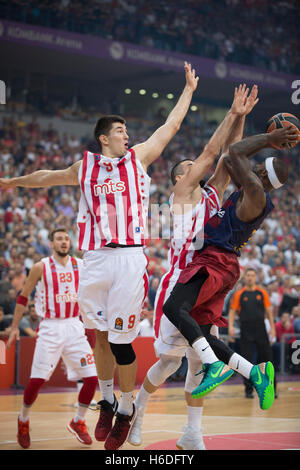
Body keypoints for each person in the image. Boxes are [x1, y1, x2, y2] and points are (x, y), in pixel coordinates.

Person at [1, 62, 199, 450]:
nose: (129, 135)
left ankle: (126, 409)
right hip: (94, 260)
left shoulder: (137, 159)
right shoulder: (85, 166)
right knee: (101, 338)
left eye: (127, 131)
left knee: (123, 342)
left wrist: (188, 91)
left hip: (127, 259)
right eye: (122, 131)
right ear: (105, 139)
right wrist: (12, 182)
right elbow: (45, 176)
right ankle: (107, 402)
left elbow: (169, 128)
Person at [128, 84, 259, 450]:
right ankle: (138, 411)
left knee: (199, 365)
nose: (194, 168)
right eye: (186, 168)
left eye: (193, 167)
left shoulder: (214, 193)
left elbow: (230, 156)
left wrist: (242, 116)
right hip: (180, 282)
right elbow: (211, 151)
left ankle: (192, 434)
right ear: (177, 180)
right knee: (170, 362)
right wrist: (231, 113)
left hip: (208, 281)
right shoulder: (182, 194)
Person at [161, 125, 298, 411]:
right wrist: (240, 116)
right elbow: (228, 158)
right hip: (222, 262)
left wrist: (270, 140)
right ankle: (254, 372)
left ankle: (213, 364)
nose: (253, 168)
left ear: (261, 174)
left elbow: (234, 153)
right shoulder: (252, 190)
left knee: (173, 308)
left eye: (258, 167)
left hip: (216, 260)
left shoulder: (255, 192)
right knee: (200, 331)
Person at [6, 228, 98, 449]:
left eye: (66, 238)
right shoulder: (41, 267)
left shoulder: (81, 264)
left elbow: (95, 290)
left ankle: (78, 421)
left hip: (75, 326)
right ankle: (24, 420)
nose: (64, 242)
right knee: (37, 381)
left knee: (92, 379)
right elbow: (23, 296)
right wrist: (15, 326)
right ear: (51, 243)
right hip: (50, 327)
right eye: (59, 239)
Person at [228, 267, 276, 398]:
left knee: (267, 359)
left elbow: (269, 311)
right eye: (248, 275)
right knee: (247, 360)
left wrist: (272, 328)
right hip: (246, 329)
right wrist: (230, 326)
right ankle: (248, 390)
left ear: (256, 277)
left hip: (260, 328)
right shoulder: (239, 294)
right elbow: (232, 311)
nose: (250, 277)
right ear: (245, 278)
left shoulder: (262, 293)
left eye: (252, 275)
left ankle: (271, 388)